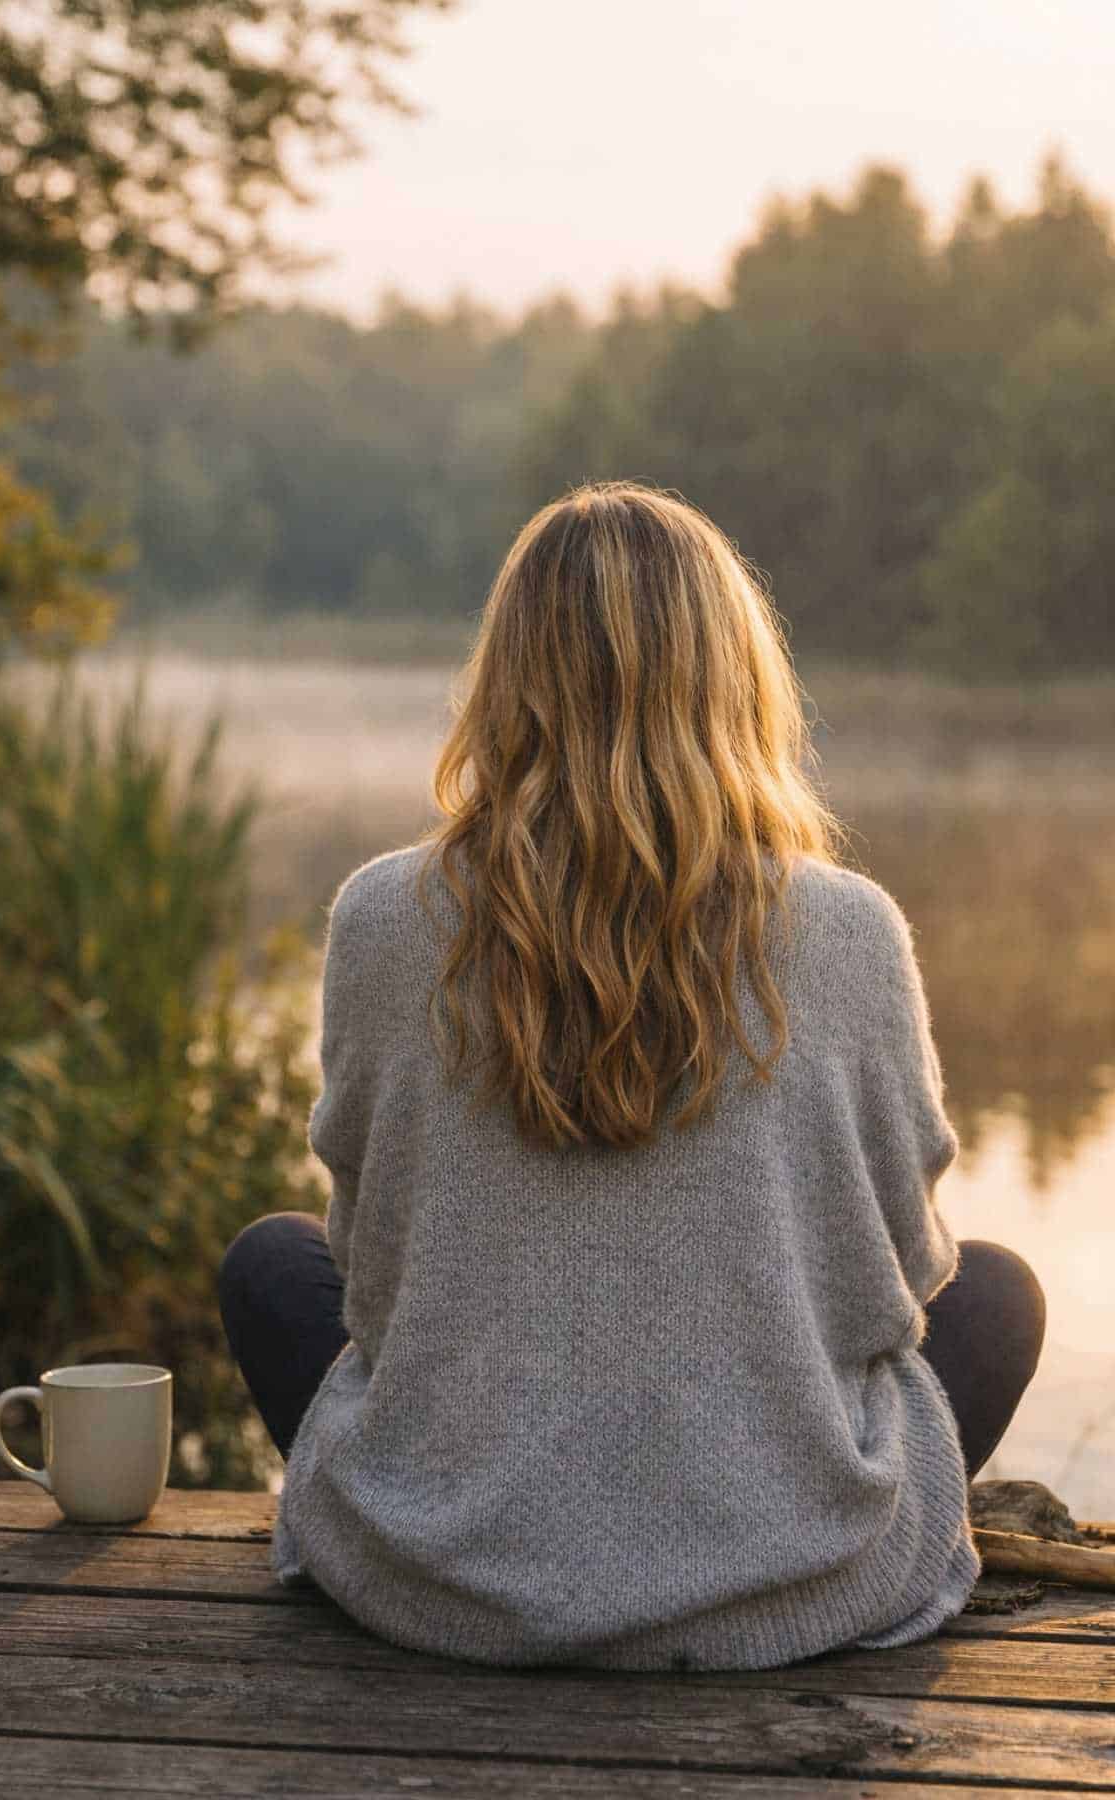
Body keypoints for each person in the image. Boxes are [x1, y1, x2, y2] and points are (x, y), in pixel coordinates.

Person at [218, 480, 1046, 1671]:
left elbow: (370, 1280)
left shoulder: (383, 918)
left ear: (505, 680)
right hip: (784, 1588)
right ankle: (773, 1561)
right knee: (999, 1294)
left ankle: (431, 1544)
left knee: (270, 1264)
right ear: (736, 679)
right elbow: (901, 1286)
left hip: (450, 1582)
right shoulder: (851, 931)